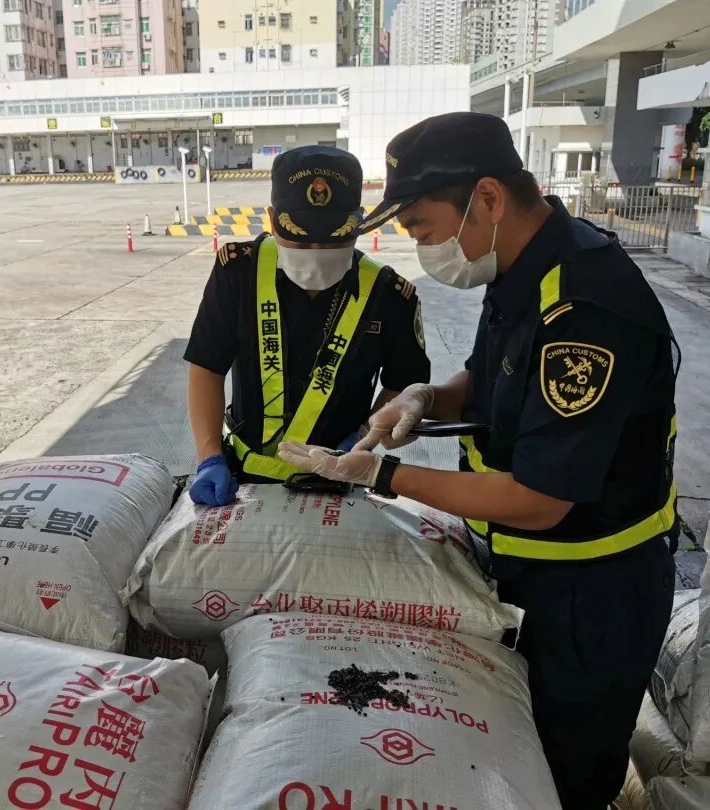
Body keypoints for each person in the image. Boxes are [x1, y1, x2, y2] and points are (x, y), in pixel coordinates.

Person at [278, 112, 678, 810]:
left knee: (567, 773)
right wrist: (426, 398)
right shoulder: (522, 266)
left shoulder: (585, 309)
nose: (420, 246)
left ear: (487, 198)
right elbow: (492, 377)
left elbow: (541, 499)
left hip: (592, 594)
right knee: (516, 764)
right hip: (528, 569)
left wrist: (383, 475)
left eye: (422, 227)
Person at [185, 144, 431, 506]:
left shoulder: (389, 294)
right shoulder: (238, 272)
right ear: (272, 219)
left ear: (359, 222)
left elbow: (404, 384)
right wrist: (209, 457)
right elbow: (207, 365)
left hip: (341, 478)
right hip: (241, 477)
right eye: (300, 239)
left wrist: (364, 436)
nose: (316, 253)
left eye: (333, 240)